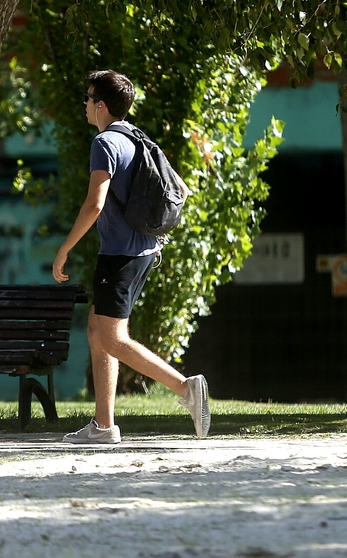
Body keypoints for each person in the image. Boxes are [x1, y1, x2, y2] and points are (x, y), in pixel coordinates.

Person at [52, 69, 210, 444]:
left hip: (120, 255)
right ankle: (104, 427)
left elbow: (94, 204)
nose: (85, 105)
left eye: (87, 99)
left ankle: (186, 388)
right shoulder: (137, 137)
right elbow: (181, 188)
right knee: (97, 332)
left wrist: (65, 249)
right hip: (142, 249)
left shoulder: (105, 142)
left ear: (101, 104)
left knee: (112, 338)